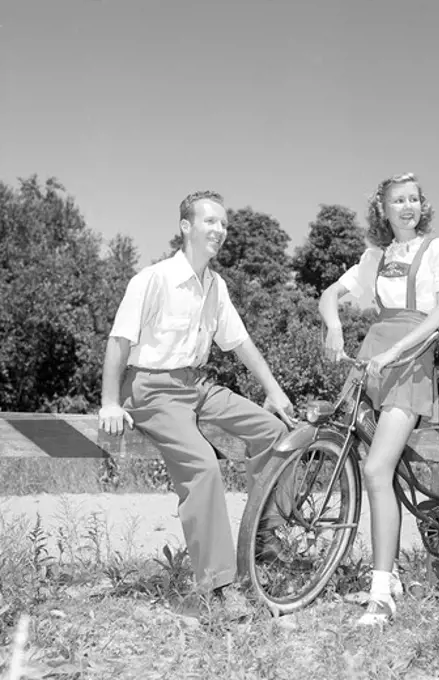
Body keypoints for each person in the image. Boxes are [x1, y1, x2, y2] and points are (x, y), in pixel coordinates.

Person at [98, 189, 294, 599]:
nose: (220, 230)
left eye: (224, 223)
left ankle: (262, 535)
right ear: (186, 226)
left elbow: (241, 343)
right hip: (151, 389)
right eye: (210, 221)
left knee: (275, 434)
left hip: (196, 385)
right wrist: (110, 402)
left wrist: (274, 392)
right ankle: (216, 587)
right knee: (204, 467)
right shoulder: (152, 280)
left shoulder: (214, 286)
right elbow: (118, 342)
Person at [319, 173, 439, 625]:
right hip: (372, 363)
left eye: (414, 199)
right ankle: (392, 573)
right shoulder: (374, 257)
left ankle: (381, 595)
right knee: (386, 474)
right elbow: (329, 295)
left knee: (376, 468)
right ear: (383, 208)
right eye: (398, 200)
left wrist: (399, 350)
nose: (407, 206)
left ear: (423, 205)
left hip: (411, 360)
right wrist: (336, 326)